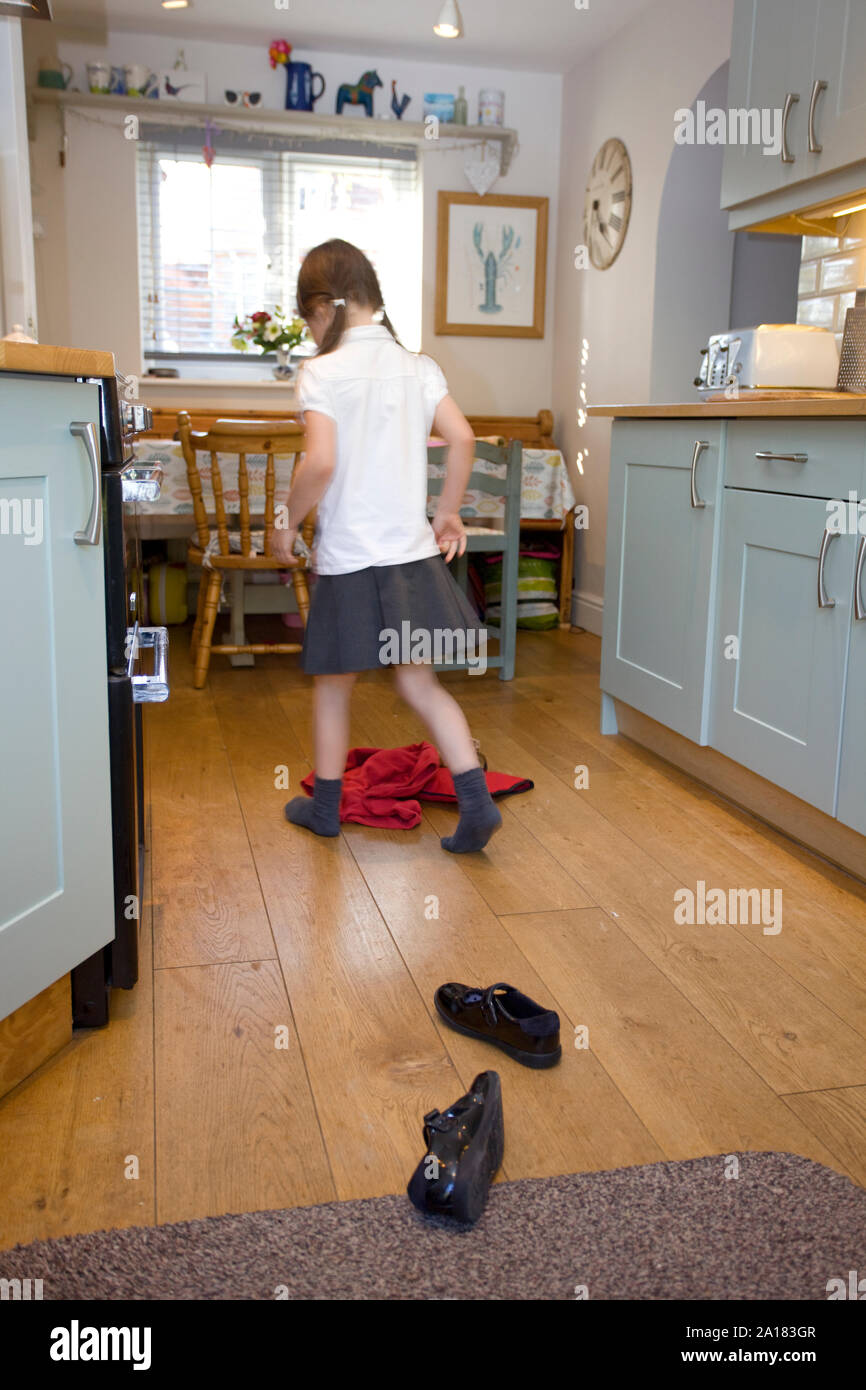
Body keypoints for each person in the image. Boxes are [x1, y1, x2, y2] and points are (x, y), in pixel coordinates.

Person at [271, 238, 501, 853]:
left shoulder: (320, 372)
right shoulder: (418, 366)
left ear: (324, 309)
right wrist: (447, 513)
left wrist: (285, 522)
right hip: (410, 558)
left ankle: (324, 810)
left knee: (333, 686)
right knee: (421, 685)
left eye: (309, 317)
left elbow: (318, 463)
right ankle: (476, 804)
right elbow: (462, 437)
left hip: (350, 562)